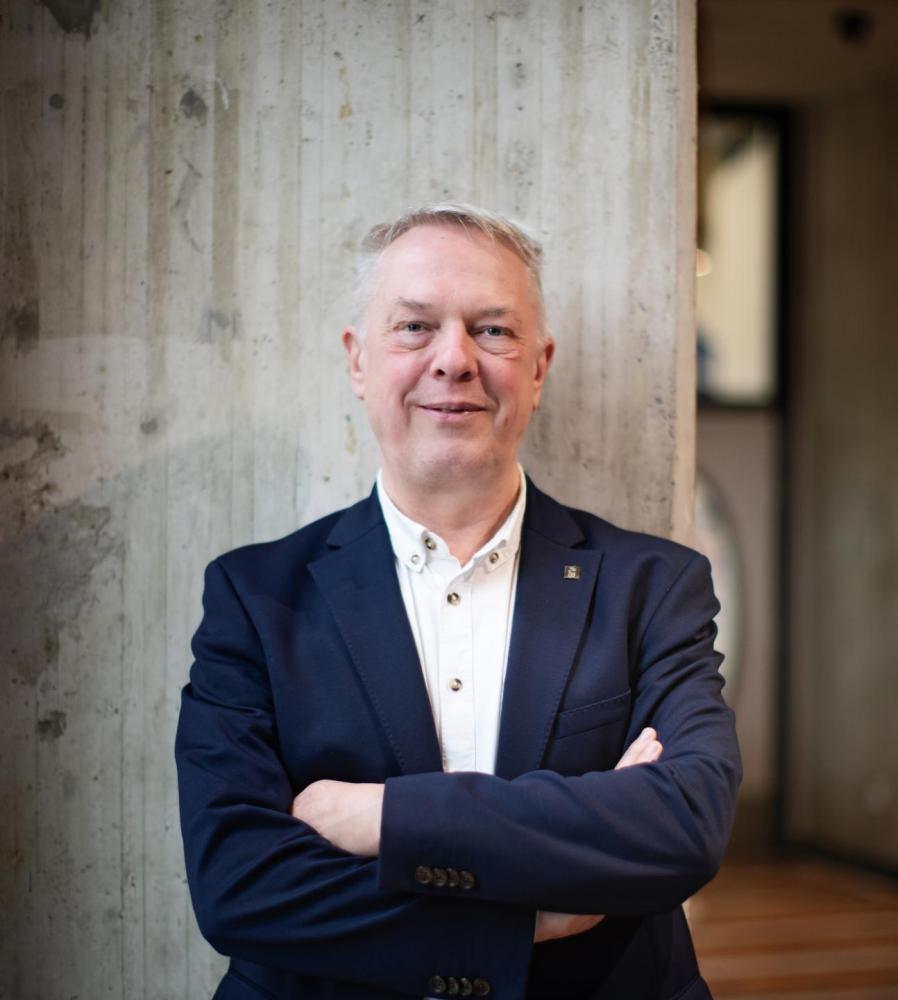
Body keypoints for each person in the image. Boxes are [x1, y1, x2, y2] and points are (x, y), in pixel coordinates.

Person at [175, 204, 741, 1000]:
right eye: (414, 327)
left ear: (538, 367)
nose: (454, 360)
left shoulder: (654, 586)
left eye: (493, 331)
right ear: (359, 361)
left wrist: (388, 820)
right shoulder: (255, 598)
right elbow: (239, 884)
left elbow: (682, 828)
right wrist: (522, 922)